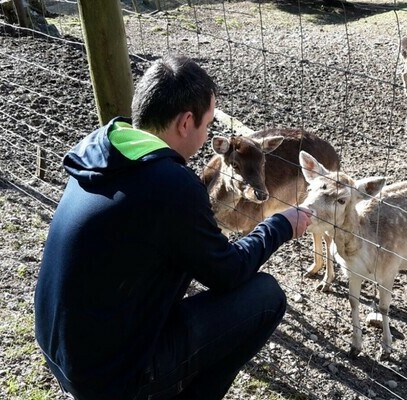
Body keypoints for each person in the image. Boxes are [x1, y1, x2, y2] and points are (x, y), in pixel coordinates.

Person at [34, 54, 312, 400]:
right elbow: (228, 271)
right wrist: (280, 225)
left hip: (62, 352)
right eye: (207, 124)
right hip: (111, 378)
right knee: (265, 296)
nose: (208, 134)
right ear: (185, 123)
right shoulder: (170, 185)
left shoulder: (104, 151)